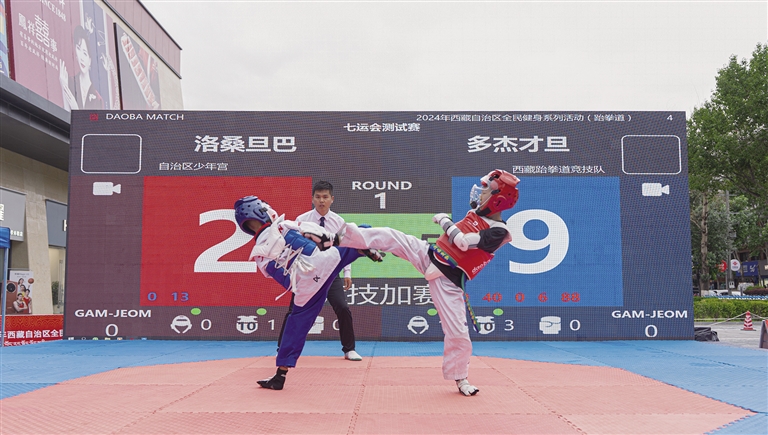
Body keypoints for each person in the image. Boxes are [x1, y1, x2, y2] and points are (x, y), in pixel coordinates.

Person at [335, 169, 519, 396]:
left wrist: (444, 220)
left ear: (498, 199)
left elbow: (462, 243)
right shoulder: (476, 213)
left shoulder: (499, 232)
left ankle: (461, 379)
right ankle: (341, 236)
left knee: (458, 333)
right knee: (392, 236)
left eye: (485, 191)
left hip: (448, 281)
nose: (480, 194)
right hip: (429, 255)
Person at [234, 196, 382, 390]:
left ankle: (280, 376)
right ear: (262, 211)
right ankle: (361, 249)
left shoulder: (257, 255)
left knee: (295, 325)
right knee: (361, 230)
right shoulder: (285, 225)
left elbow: (279, 277)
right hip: (324, 262)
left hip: (306, 287)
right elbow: (321, 235)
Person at [277, 181, 362, 361]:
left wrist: (347, 273)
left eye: (325, 197)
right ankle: (282, 348)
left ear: (332, 199)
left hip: (331, 271)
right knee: (294, 310)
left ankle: (349, 349)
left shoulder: (339, 222)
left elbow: (346, 246)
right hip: (307, 273)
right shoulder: (302, 220)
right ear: (312, 199)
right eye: (318, 197)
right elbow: (292, 245)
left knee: (342, 307)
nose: (321, 201)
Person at [59, 25, 104, 111]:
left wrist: (75, 108)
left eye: (85, 53)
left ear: (90, 60)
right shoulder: (69, 82)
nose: (82, 58)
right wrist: (64, 87)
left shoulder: (98, 100)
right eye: (78, 49)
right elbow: (64, 116)